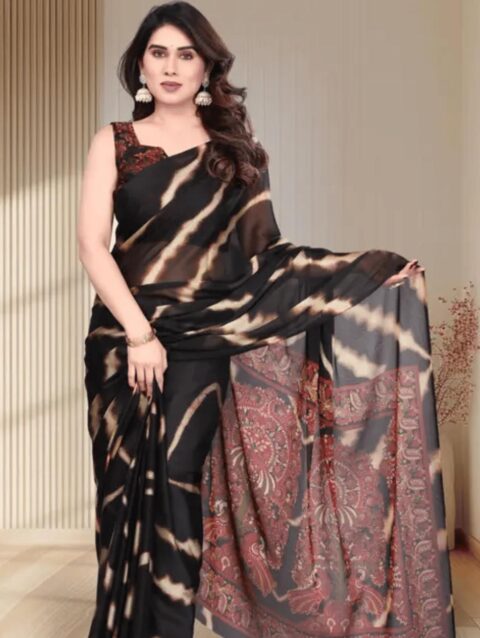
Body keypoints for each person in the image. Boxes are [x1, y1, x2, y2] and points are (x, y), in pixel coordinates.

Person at [77, 2, 456, 637]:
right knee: (122, 494)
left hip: (203, 336)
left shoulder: (236, 153)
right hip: (121, 338)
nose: (171, 67)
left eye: (186, 55)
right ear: (140, 64)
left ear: (207, 68)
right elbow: (92, 245)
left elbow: (266, 258)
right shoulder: (114, 141)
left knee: (176, 485)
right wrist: (140, 335)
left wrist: (365, 271)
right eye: (158, 53)